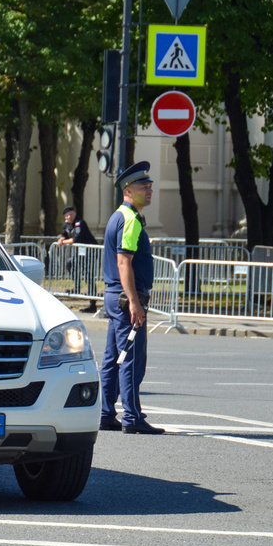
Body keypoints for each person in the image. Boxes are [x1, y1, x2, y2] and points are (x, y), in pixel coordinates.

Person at [100, 162, 163, 434]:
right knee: (131, 358)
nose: (149, 190)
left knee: (114, 357)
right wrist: (135, 303)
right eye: (143, 186)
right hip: (127, 301)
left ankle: (105, 412)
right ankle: (133, 417)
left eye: (150, 186)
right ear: (128, 189)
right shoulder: (130, 219)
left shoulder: (118, 216)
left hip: (115, 298)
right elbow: (124, 262)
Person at [56, 205, 98, 310]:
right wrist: (61, 238)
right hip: (79, 252)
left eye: (70, 214)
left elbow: (75, 239)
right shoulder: (66, 225)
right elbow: (64, 234)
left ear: (75, 213)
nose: (69, 217)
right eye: (67, 215)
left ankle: (93, 304)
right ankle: (77, 287)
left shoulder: (79, 223)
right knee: (70, 264)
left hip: (90, 251)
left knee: (88, 274)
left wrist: (63, 242)